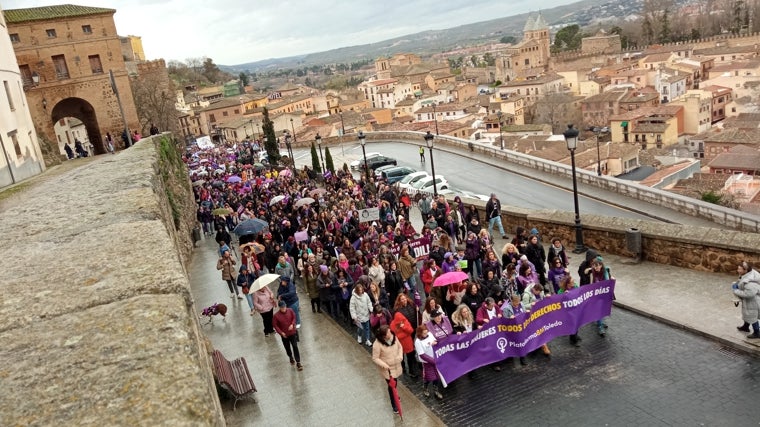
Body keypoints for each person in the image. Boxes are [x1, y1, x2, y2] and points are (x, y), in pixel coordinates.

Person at [371, 325, 404, 415]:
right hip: (388, 369)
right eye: (388, 332)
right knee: (391, 387)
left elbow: (400, 347)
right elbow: (375, 358)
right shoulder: (377, 345)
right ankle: (394, 405)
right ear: (384, 336)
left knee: (395, 383)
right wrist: (384, 365)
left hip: (396, 365)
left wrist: (400, 356)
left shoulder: (394, 337)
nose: (390, 333)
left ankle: (395, 395)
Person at [584, 255, 615, 337]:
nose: (597, 267)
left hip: (603, 294)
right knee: (598, 311)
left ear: (601, 265)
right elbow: (587, 275)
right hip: (595, 295)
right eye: (595, 265)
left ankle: (599, 321)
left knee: (602, 310)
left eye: (598, 265)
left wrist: (611, 279)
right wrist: (590, 269)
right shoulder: (592, 273)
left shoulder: (605, 272)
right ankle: (600, 326)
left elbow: (607, 282)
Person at [414, 325, 444, 400]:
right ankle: (425, 387)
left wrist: (435, 343)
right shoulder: (418, 341)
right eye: (424, 333)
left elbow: (435, 341)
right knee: (428, 377)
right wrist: (433, 361)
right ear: (420, 333)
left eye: (426, 332)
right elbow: (422, 354)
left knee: (437, 376)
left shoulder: (430, 334)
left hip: (435, 358)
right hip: (427, 362)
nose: (426, 334)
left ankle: (436, 390)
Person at [732, 261, 760, 338]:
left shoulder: (749, 282)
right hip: (750, 301)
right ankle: (746, 326)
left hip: (753, 302)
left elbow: (749, 294)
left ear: (745, 270)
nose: (738, 270)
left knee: (752, 316)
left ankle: (757, 332)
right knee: (747, 314)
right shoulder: (748, 274)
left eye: (740, 269)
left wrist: (736, 290)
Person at [272, 301, 303, 371]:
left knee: (295, 346)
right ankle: (290, 357)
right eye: (282, 307)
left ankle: (298, 362)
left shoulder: (290, 310)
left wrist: (292, 324)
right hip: (284, 335)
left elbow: (294, 317)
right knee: (287, 347)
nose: (284, 308)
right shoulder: (276, 316)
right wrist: (281, 333)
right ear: (279, 308)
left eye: (284, 306)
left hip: (292, 333)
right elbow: (275, 326)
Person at [390, 310, 417, 378]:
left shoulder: (405, 321)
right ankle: (403, 368)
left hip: (408, 343)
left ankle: (411, 371)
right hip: (400, 344)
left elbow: (411, 330)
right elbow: (394, 335)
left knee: (410, 358)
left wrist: (403, 327)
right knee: (400, 357)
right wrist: (405, 334)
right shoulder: (392, 324)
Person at [558, 275, 582, 346]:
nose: (574, 283)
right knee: (572, 325)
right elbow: (559, 300)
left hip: (576, 309)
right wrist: (564, 295)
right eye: (572, 282)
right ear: (568, 284)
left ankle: (575, 335)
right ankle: (573, 340)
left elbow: (580, 293)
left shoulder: (575, 287)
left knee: (577, 324)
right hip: (568, 312)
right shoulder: (561, 291)